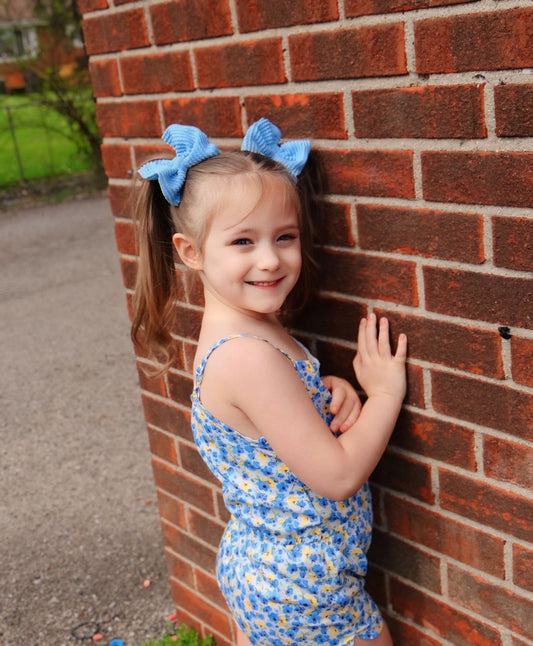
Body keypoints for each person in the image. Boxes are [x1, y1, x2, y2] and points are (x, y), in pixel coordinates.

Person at [131, 119, 407, 646]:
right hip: (301, 588)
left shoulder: (247, 328)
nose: (270, 259)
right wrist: (386, 393)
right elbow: (337, 475)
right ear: (191, 252)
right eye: (243, 241)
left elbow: (269, 422)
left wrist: (328, 391)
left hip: (268, 568)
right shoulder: (247, 355)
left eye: (285, 237)